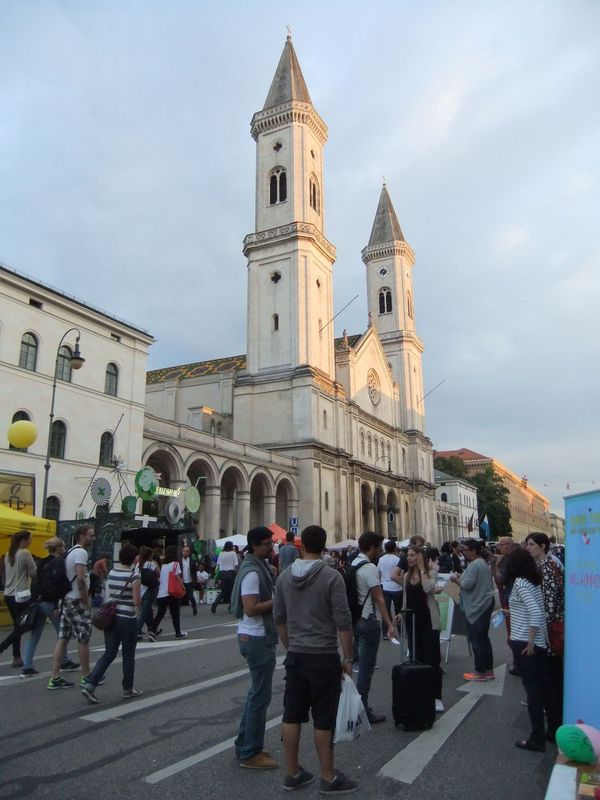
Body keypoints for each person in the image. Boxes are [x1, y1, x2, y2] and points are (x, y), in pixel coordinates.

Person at [274, 524, 358, 795]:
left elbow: (279, 619)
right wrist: (348, 658)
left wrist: (291, 645)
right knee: (323, 718)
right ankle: (328, 776)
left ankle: (292, 772)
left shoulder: (284, 577)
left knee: (292, 714)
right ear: (323, 547)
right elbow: (343, 622)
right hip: (323, 656)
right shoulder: (331, 577)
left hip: (297, 655)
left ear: (301, 546)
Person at [229, 527, 278, 770]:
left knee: (255, 695)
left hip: (255, 636)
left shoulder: (257, 568)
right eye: (268, 543)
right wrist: (278, 601)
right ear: (255, 545)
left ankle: (244, 745)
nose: (272, 547)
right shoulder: (252, 573)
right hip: (256, 637)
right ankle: (250, 753)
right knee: (260, 696)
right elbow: (250, 608)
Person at [504, 546, 561, 751]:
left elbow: (536, 613)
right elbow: (535, 611)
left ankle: (536, 737)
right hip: (539, 642)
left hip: (525, 643)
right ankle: (553, 730)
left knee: (533, 692)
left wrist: (529, 641)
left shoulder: (519, 583)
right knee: (546, 688)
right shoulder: (534, 581)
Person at [81, 544, 142, 704]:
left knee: (109, 652)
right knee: (128, 654)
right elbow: (136, 601)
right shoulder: (134, 576)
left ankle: (90, 684)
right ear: (133, 559)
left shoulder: (113, 572)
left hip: (111, 617)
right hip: (127, 618)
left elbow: (107, 594)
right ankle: (128, 689)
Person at [18, 537, 79, 677]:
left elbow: (37, 581)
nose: (64, 550)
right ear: (58, 549)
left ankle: (27, 666)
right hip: (50, 601)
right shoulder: (58, 562)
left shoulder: (42, 562)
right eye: (63, 547)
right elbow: (56, 585)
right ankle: (64, 660)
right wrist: (58, 603)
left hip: (38, 601)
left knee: (35, 634)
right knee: (62, 632)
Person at [352, 531, 396, 723]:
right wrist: (389, 623)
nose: (380, 550)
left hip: (355, 619)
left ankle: (357, 706)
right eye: (378, 547)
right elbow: (379, 598)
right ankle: (362, 709)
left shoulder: (352, 563)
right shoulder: (369, 567)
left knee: (359, 664)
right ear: (373, 547)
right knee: (366, 669)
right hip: (368, 620)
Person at [48, 525, 96, 689]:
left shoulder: (70, 552)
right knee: (84, 638)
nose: (93, 538)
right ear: (82, 536)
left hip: (66, 599)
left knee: (63, 637)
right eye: (91, 535)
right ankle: (87, 675)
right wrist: (86, 601)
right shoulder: (81, 553)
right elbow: (81, 580)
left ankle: (54, 677)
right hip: (76, 600)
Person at [525, 532, 565, 722]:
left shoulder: (547, 567)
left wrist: (539, 635)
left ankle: (554, 717)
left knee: (551, 675)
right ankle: (554, 713)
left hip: (550, 631)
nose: (528, 548)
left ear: (542, 546)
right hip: (550, 627)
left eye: (532, 544)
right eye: (528, 545)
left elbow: (547, 604)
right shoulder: (544, 565)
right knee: (552, 676)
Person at [400, 545, 444, 712]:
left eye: (412, 555)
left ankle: (436, 696)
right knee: (417, 659)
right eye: (408, 555)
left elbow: (428, 589)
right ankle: (421, 693)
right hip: (412, 621)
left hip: (428, 621)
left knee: (432, 660)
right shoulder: (405, 576)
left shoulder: (431, 573)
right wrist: (401, 613)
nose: (409, 558)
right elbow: (406, 597)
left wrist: (421, 569)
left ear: (420, 556)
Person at [450, 538, 495, 681]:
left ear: (474, 550)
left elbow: (467, 585)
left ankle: (480, 671)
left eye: (466, 550)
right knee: (483, 639)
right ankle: (488, 670)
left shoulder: (475, 565)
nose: (463, 552)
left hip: (478, 606)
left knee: (476, 640)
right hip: (484, 603)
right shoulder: (480, 562)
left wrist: (455, 579)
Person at [1, 531, 37, 668]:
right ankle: (4, 648)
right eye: (30, 538)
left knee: (18, 625)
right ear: (25, 540)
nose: (31, 541)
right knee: (22, 626)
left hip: (9, 594)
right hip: (21, 594)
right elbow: (34, 572)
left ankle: (17, 657)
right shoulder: (25, 553)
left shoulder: (8, 554)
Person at [492, 536, 519, 674]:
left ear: (509, 545)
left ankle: (518, 663)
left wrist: (495, 565)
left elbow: (500, 579)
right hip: (512, 598)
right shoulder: (514, 558)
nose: (499, 547)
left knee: (513, 633)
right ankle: (518, 662)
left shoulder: (508, 560)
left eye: (501, 545)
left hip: (511, 599)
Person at [150, 545, 188, 639]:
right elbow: (177, 577)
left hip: (162, 593)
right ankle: (178, 632)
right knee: (175, 614)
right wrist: (183, 587)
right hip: (172, 592)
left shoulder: (163, 565)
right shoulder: (176, 564)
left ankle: (152, 632)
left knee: (160, 614)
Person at [377, 540, 403, 640]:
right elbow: (401, 573)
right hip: (397, 587)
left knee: (386, 611)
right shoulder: (398, 559)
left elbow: (378, 573)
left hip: (385, 586)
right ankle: (400, 631)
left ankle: (385, 632)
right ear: (394, 548)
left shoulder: (381, 559)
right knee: (398, 610)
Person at [137, 546, 159, 639]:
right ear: (150, 555)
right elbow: (158, 573)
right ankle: (137, 629)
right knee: (145, 611)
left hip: (139, 589)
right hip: (148, 589)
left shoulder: (139, 565)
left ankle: (152, 627)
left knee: (147, 610)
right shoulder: (151, 564)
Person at [211, 541, 239, 613]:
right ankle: (230, 607)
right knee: (232, 591)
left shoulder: (221, 553)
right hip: (231, 573)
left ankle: (215, 603)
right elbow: (236, 565)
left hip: (222, 573)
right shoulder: (233, 553)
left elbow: (218, 565)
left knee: (224, 591)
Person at [179, 545, 198, 615]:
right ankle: (176, 610)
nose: (185, 552)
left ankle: (194, 607)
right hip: (181, 580)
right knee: (179, 596)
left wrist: (195, 581)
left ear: (189, 552)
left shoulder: (192, 561)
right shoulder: (179, 561)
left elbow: (195, 572)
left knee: (190, 595)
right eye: (184, 551)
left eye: (187, 551)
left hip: (189, 581)